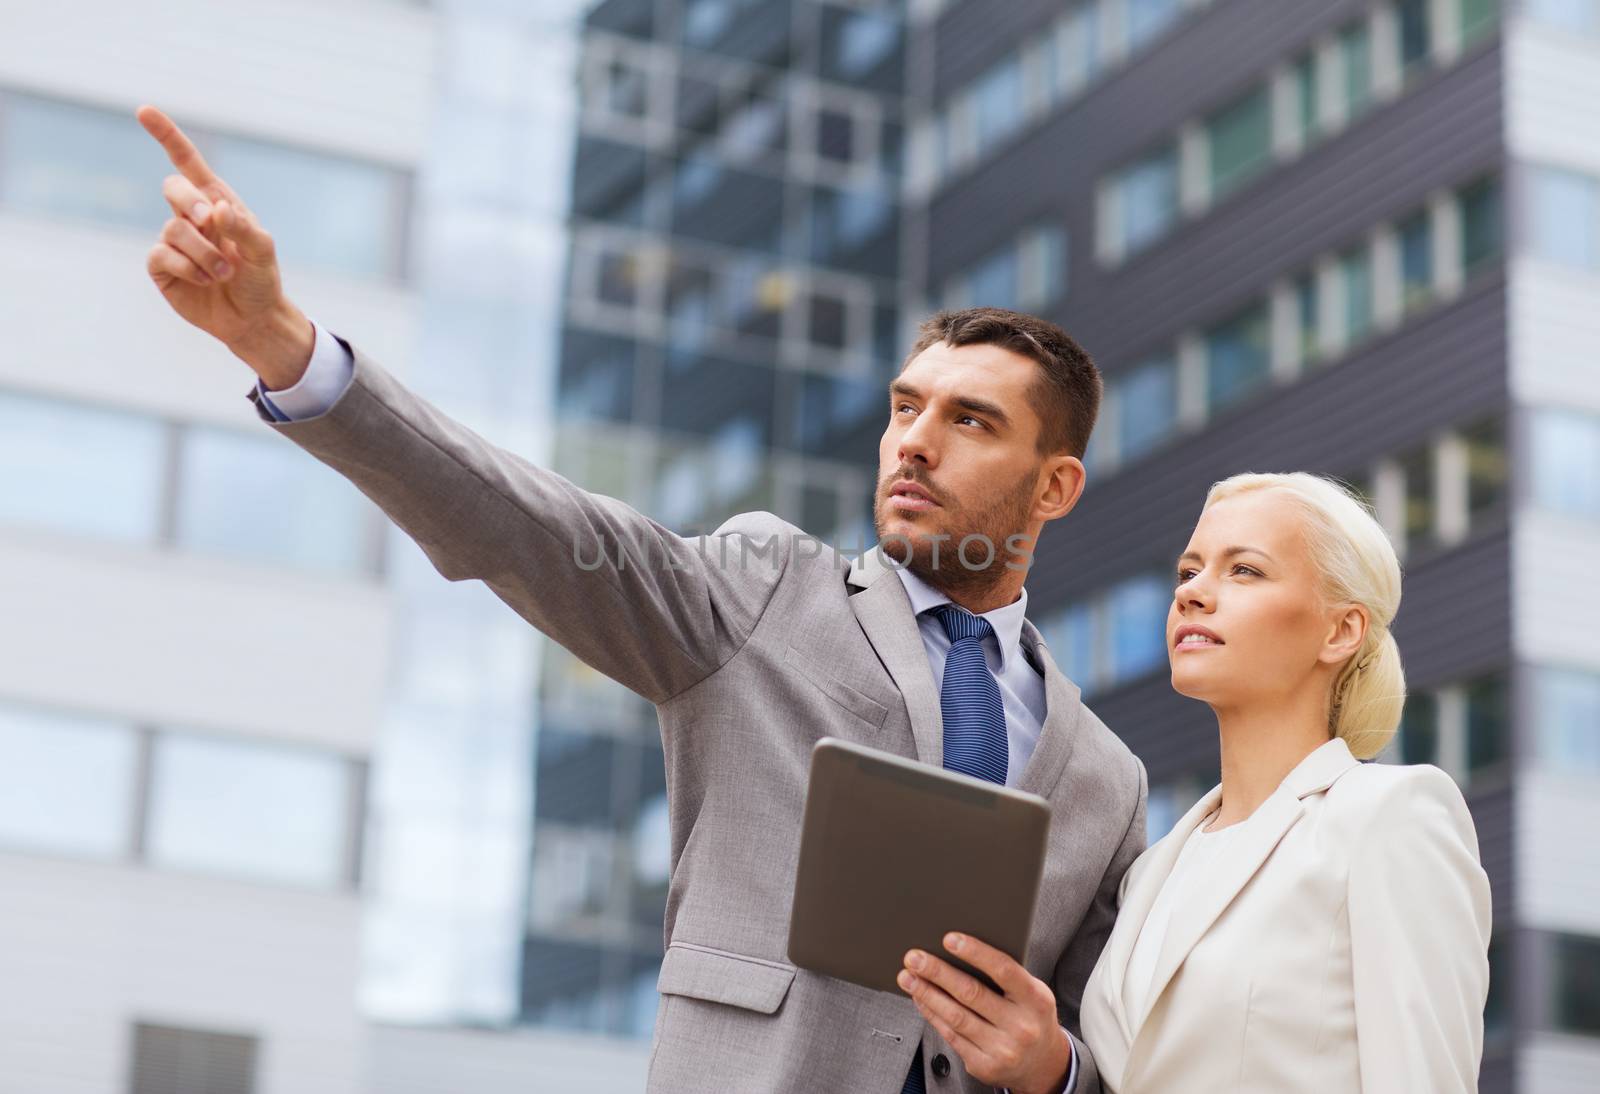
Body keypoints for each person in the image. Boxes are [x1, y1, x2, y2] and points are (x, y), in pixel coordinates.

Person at [136, 104, 1148, 1094]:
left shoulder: (1107, 780)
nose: (914, 439)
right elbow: (532, 529)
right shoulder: (763, 590)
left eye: (969, 420)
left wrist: (1054, 1072)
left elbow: (1115, 1050)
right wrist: (285, 346)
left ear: (1054, 485)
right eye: (903, 406)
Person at [1078, 472, 1493, 1093]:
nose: (1193, 593)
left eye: (1243, 570)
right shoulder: (1150, 871)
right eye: (1187, 573)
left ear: (1340, 631)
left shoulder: (1390, 818)